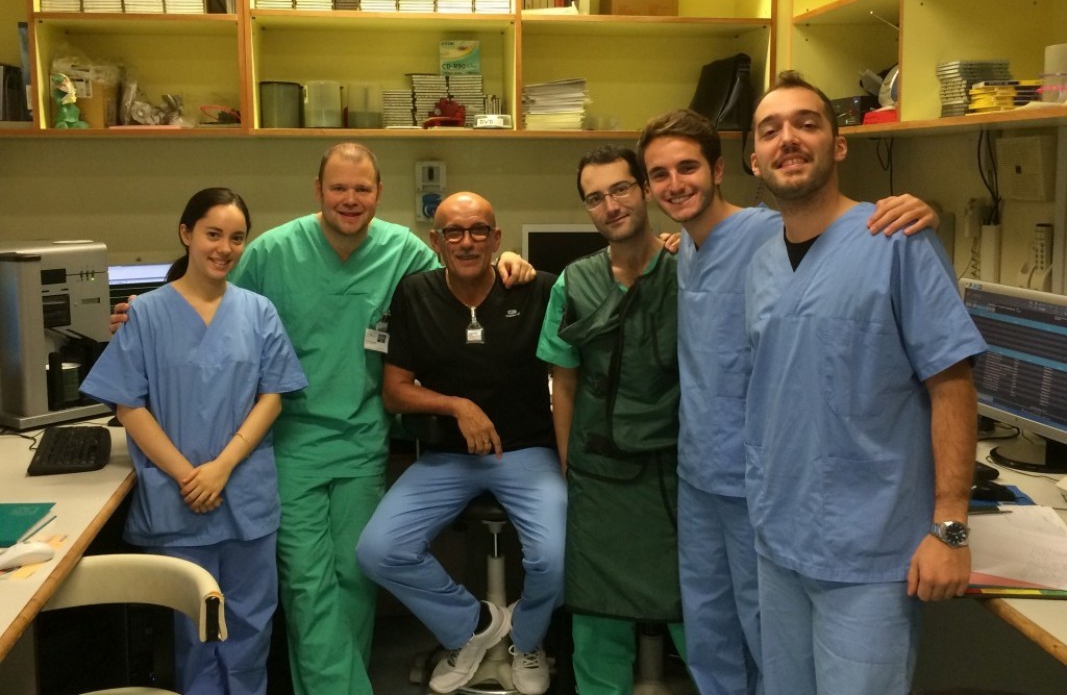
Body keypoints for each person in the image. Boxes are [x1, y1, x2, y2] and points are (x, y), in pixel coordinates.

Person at [110, 143, 533, 695]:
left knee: (355, 579)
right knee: (308, 587)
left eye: (362, 188)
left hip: (362, 440)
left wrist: (508, 261)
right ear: (318, 190)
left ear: (378, 193)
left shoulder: (402, 250)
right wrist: (147, 311)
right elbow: (211, 292)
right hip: (290, 442)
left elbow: (461, 275)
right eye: (338, 187)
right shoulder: (274, 251)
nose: (350, 199)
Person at [640, 108, 939, 695]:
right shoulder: (684, 249)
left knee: (768, 644)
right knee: (709, 629)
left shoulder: (763, 232)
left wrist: (914, 208)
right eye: (660, 174)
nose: (675, 184)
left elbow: (837, 228)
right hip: (699, 473)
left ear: (720, 169)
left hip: (761, 481)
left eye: (687, 167)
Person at [743, 71, 986, 694]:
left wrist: (951, 527)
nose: (788, 139)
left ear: (839, 144)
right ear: (755, 161)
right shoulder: (762, 260)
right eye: (770, 131)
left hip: (871, 550)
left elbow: (952, 384)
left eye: (806, 124)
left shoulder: (896, 239)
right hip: (778, 538)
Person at [81, 187, 308, 695]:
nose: (224, 248)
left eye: (236, 238)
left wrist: (221, 469)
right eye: (213, 234)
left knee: (251, 628)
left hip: (244, 496)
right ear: (186, 234)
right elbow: (128, 406)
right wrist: (190, 476)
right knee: (193, 635)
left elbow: (273, 397)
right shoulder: (145, 315)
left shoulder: (258, 312)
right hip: (178, 500)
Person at [356, 191, 564, 695]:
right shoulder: (416, 294)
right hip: (448, 457)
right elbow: (394, 391)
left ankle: (527, 639)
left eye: (478, 231)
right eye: (454, 231)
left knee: (556, 559)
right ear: (436, 241)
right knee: (378, 551)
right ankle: (473, 626)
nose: (466, 242)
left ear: (496, 238)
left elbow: (570, 372)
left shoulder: (535, 289)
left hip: (525, 450)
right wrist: (457, 406)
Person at [536, 146, 686, 695]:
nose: (610, 206)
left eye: (620, 189)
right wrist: (570, 464)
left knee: (701, 619)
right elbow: (564, 382)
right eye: (595, 198)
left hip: (677, 471)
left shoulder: (689, 270)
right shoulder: (573, 284)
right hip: (600, 476)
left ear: (645, 189)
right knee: (597, 625)